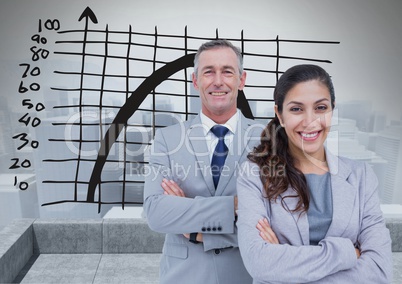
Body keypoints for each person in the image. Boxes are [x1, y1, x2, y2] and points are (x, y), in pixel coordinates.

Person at [236, 64, 393, 283]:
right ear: (279, 115)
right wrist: (348, 253)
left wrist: (285, 268)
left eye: (320, 108)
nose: (310, 121)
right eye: (296, 109)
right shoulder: (255, 175)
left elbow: (379, 270)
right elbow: (259, 262)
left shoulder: (361, 177)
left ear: (332, 110)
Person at [143, 39, 262, 284]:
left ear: (241, 80)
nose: (218, 81)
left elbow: (275, 220)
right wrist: (236, 207)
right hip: (182, 276)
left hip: (248, 274)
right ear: (196, 80)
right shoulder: (167, 138)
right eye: (209, 72)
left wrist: (198, 232)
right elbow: (156, 213)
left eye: (227, 71)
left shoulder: (269, 140)